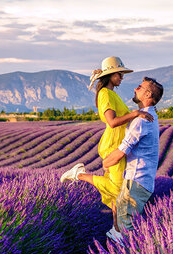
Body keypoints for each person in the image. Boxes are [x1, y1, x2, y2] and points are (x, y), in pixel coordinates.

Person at [60, 56, 153, 240]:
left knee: (115, 195)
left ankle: (116, 231)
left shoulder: (112, 93)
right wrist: (135, 114)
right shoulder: (105, 94)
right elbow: (111, 122)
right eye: (120, 73)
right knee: (118, 188)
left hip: (118, 142)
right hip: (113, 144)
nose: (122, 77)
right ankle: (79, 174)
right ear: (111, 74)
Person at [102, 76, 163, 242]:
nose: (135, 89)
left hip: (135, 182)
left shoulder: (141, 121)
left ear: (148, 95)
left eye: (139, 87)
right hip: (143, 182)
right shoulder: (151, 116)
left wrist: (105, 163)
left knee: (125, 232)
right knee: (123, 228)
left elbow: (123, 151)